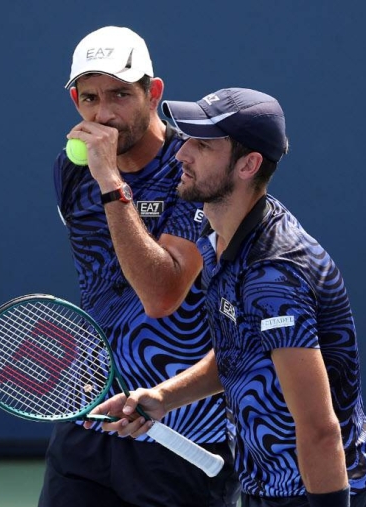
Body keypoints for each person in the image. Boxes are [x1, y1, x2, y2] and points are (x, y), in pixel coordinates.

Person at [88, 88, 366, 507]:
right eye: (187, 139)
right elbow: (246, 351)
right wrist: (164, 397)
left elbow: (319, 429)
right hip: (268, 485)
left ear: (248, 164)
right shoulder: (223, 239)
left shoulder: (273, 275)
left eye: (203, 145)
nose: (181, 154)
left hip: (317, 491)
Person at [42, 27, 239, 507]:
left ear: (153, 93)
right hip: (94, 417)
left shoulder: (194, 170)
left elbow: (162, 295)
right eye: (89, 97)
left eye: (120, 95)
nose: (103, 113)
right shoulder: (72, 170)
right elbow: (104, 284)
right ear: (75, 101)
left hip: (187, 431)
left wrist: (109, 179)